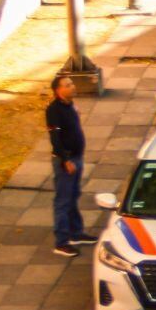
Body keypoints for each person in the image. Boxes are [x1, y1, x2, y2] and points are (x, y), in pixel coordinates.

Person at [46, 74, 92, 258]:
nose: (73, 87)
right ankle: (62, 241)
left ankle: (76, 232)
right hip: (67, 161)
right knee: (63, 200)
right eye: (68, 85)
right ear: (58, 90)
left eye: (72, 83)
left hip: (77, 157)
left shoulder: (70, 106)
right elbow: (55, 138)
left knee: (73, 195)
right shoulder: (54, 110)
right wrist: (65, 160)